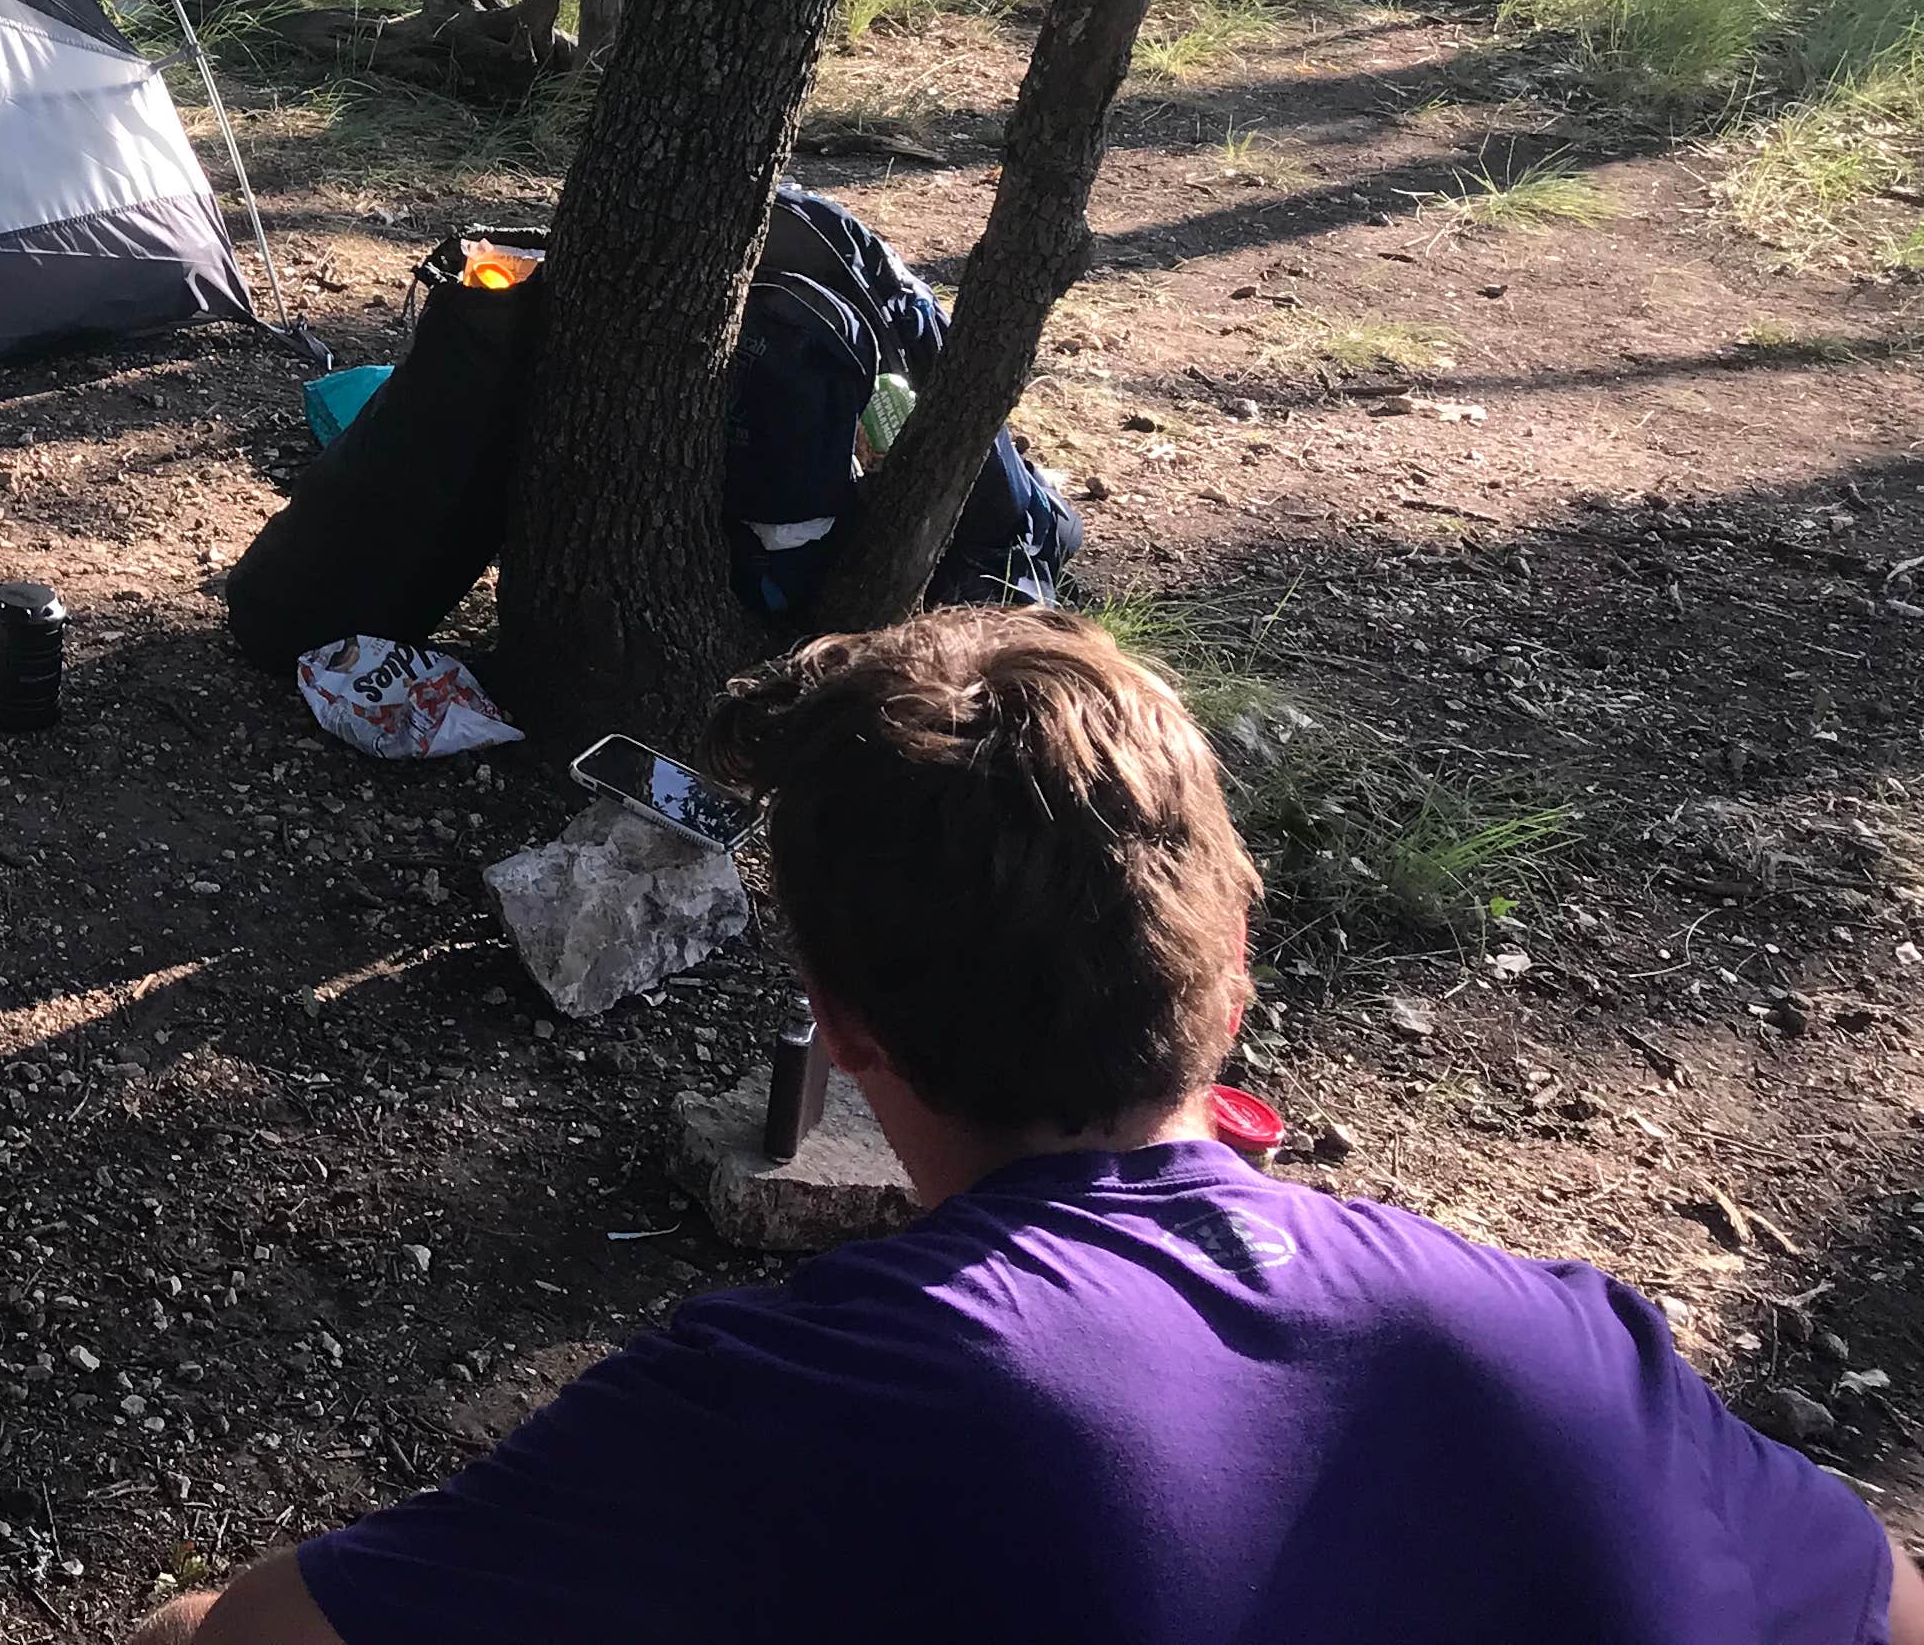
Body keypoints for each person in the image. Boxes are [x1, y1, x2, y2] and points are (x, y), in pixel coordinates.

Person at [135, 611, 1922, 1645]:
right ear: (1234, 959)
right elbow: (1883, 1604)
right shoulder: (1570, 1340)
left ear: (843, 1035)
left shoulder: (804, 1404)